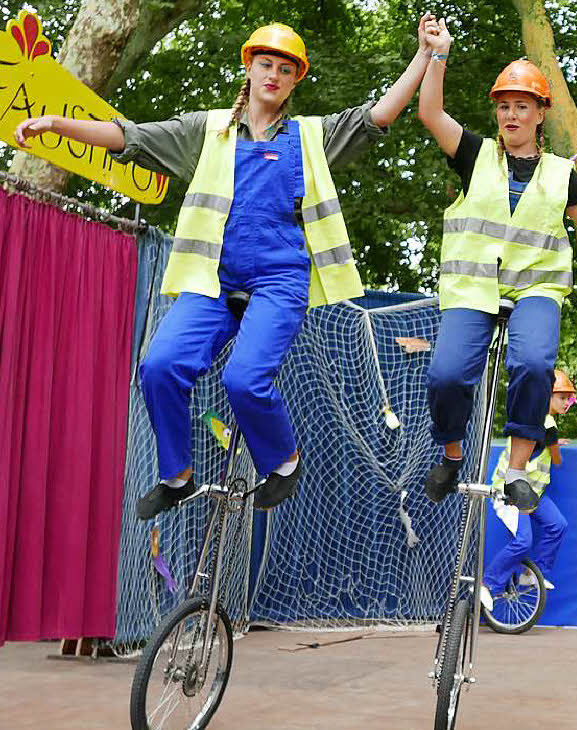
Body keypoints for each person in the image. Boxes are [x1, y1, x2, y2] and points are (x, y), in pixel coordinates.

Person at [14, 18, 438, 518]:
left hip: (278, 282)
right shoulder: (207, 130)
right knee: (158, 366)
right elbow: (129, 137)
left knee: (244, 380)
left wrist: (425, 55)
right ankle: (176, 474)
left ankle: (282, 461)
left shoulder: (309, 137)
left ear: (295, 79)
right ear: (249, 67)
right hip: (212, 278)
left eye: (285, 69)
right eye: (266, 64)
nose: (274, 75)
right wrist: (57, 124)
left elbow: (378, 116)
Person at [416, 21, 577, 513]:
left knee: (535, 364)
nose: (510, 114)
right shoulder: (474, 154)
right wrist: (437, 56)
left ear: (541, 113)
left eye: (521, 106)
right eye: (503, 105)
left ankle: (516, 470)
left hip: (536, 290)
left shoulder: (561, 173)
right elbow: (429, 111)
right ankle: (452, 456)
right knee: (447, 375)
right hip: (472, 290)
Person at [481, 369, 574, 610]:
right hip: (510, 492)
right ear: (547, 396)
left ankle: (531, 574)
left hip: (532, 493)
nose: (567, 402)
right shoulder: (548, 424)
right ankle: (487, 584)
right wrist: (554, 445)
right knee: (523, 541)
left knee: (558, 525)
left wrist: (553, 441)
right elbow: (557, 460)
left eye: (568, 398)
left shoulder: (538, 420)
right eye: (562, 397)